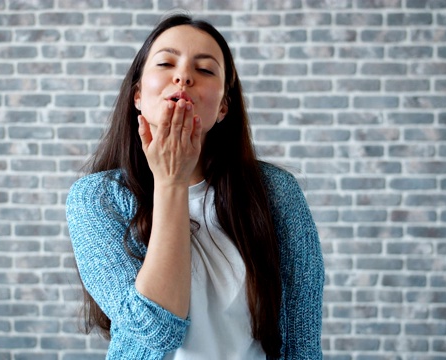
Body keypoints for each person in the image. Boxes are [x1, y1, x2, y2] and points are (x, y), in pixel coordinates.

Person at [66, 13, 324, 360]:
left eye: (204, 70)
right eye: (166, 63)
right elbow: (156, 330)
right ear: (138, 95)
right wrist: (171, 181)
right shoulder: (97, 199)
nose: (183, 76)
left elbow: (302, 343)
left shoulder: (277, 193)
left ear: (223, 108)